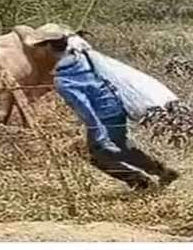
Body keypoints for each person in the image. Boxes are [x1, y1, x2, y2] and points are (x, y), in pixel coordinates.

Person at [46, 26, 180, 190]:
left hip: (103, 115)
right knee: (121, 147)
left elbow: (86, 109)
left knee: (98, 155)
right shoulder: (80, 56)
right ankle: (161, 172)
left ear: (48, 48)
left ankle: (140, 181)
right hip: (114, 105)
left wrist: (98, 132)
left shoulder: (63, 80)